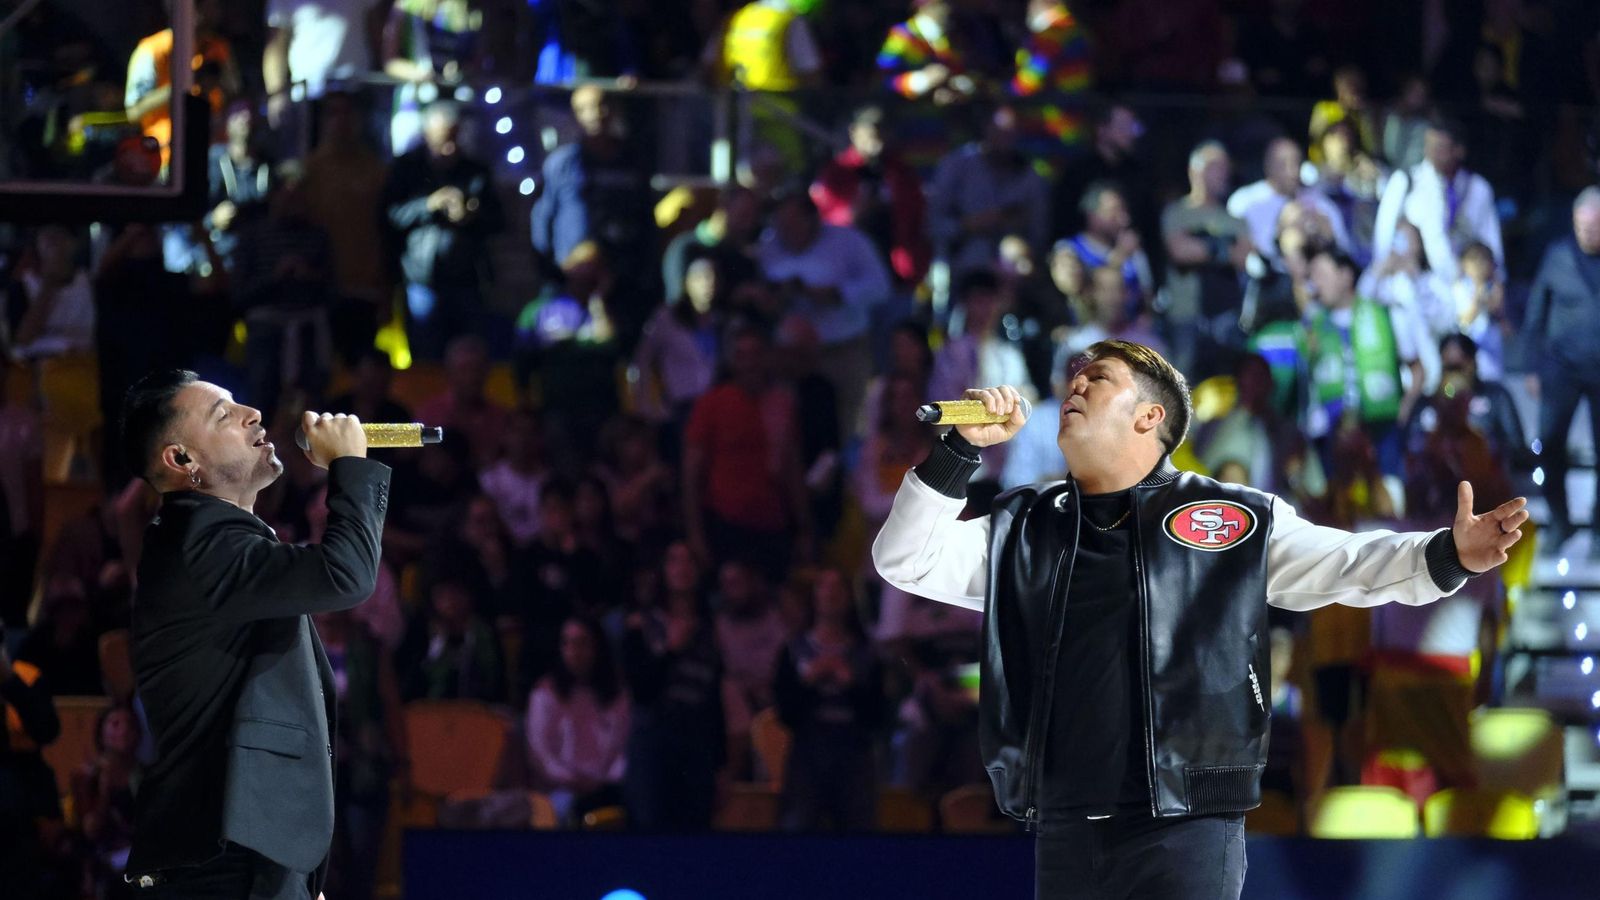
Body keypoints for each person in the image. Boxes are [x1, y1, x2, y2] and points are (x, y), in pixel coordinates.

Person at [871, 340, 1526, 898]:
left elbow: (1345, 563)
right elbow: (904, 559)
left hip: (1186, 821)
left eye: (1098, 378)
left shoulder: (1229, 516)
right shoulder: (1026, 526)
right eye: (1074, 377)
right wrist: (957, 452)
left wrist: (1448, 554)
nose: (1076, 386)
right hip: (1066, 821)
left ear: (1149, 415)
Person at [120, 369, 387, 899]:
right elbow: (344, 574)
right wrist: (350, 466)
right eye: (224, 415)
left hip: (243, 858)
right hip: (224, 861)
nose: (253, 414)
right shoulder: (200, 541)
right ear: (182, 460)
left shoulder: (214, 542)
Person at [381, 100, 504, 361]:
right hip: (422, 282)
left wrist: (471, 215)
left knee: (469, 357)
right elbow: (391, 216)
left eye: (453, 140)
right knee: (426, 359)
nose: (449, 149)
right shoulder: (407, 169)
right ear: (426, 136)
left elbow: (498, 222)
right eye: (442, 141)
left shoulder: (475, 172)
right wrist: (429, 205)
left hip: (467, 282)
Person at [773, 568, 885, 831]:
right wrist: (809, 681)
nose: (831, 594)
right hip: (808, 753)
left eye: (838, 587)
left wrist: (851, 684)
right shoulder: (793, 650)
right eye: (824, 586)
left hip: (854, 753)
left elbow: (879, 715)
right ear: (814, 596)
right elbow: (785, 712)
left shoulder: (867, 654)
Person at [1524, 187, 1600, 557]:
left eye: (1594, 227)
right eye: (1582, 226)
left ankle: (1599, 530)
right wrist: (1531, 366)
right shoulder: (1557, 256)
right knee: (1550, 445)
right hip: (1560, 369)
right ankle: (1560, 522)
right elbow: (1536, 310)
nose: (1587, 233)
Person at [525, 616, 629, 826]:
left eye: (582, 643)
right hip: (560, 789)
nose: (574, 651)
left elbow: (623, 748)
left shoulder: (616, 694)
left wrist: (602, 780)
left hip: (607, 787)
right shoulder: (545, 694)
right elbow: (541, 754)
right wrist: (572, 780)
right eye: (567, 643)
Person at [1372, 117, 1501, 283]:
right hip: (1413, 278)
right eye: (1428, 146)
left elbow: (1490, 238)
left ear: (1459, 151)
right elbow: (1383, 234)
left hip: (1467, 279)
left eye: (1439, 148)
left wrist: (1497, 280)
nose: (1431, 154)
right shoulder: (1405, 180)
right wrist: (1383, 270)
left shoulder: (1478, 188)